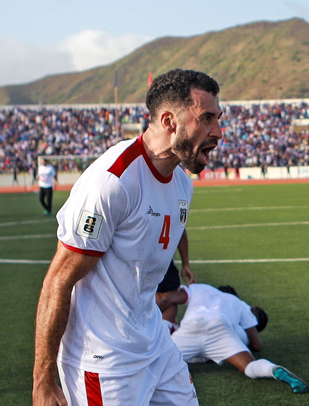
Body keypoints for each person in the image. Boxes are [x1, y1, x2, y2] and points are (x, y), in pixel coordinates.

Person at [33, 68, 223, 406]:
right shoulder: (113, 182)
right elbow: (58, 281)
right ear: (169, 121)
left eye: (217, 118)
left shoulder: (181, 184)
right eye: (206, 118)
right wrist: (43, 381)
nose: (218, 131)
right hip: (104, 360)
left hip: (153, 343)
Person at [158, 280, 309, 394]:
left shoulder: (201, 288)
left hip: (193, 323)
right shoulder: (240, 303)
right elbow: (257, 345)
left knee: (156, 359)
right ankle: (272, 369)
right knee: (250, 367)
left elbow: (170, 298)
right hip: (221, 327)